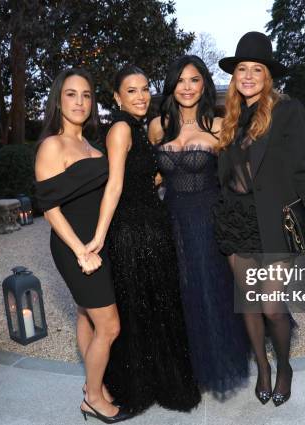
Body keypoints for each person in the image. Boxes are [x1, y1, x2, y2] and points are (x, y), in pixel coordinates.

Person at [214, 32, 305, 407]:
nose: (248, 76)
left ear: (268, 76)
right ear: (234, 77)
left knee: (272, 307)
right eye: (242, 70)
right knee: (248, 303)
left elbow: (302, 170)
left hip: (272, 223)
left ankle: (284, 366)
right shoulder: (230, 119)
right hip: (235, 222)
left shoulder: (286, 111)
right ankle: (262, 369)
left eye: (257, 70)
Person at [85, 65, 201, 414]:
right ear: (118, 98)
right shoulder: (121, 128)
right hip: (132, 232)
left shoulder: (139, 127)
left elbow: (144, 178)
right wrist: (99, 238)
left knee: (158, 306)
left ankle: (160, 382)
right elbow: (115, 185)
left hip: (153, 225)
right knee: (140, 309)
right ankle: (140, 387)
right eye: (131, 90)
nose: (140, 95)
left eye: (144, 88)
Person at [148, 55, 250, 398]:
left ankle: (218, 361)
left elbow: (238, 181)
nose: (187, 87)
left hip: (209, 218)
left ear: (204, 84)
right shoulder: (157, 127)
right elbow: (155, 176)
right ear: (171, 86)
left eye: (194, 80)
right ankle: (187, 367)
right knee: (180, 292)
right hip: (171, 218)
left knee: (211, 290)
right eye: (180, 80)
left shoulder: (218, 125)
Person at [33, 69, 132, 423]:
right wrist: (81, 251)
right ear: (58, 99)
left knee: (84, 314)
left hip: (96, 242)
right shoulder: (52, 145)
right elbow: (50, 209)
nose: (80, 102)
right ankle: (92, 397)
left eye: (87, 95)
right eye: (72, 94)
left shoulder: (91, 145)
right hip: (74, 247)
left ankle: (97, 384)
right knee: (110, 327)